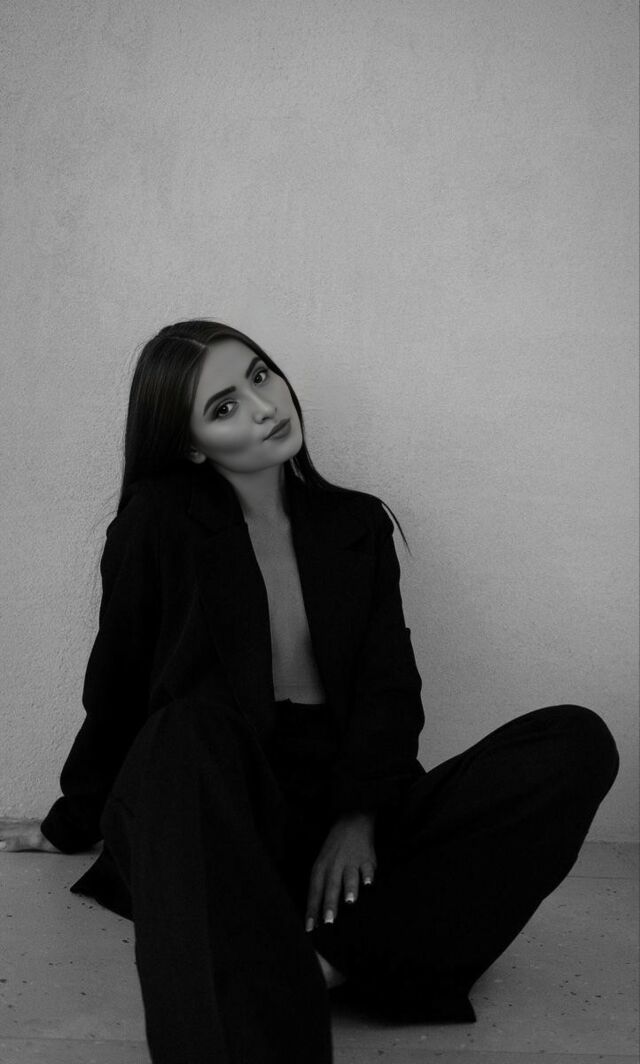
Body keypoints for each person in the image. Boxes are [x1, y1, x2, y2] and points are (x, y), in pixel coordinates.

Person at [0, 320, 620, 1064]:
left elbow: (391, 687)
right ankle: (308, 976)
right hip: (219, 802)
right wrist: (73, 821)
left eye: (260, 375)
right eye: (224, 407)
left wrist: (359, 816)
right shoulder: (159, 521)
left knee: (575, 739)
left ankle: (315, 962)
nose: (264, 407)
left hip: (344, 794)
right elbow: (117, 685)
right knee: (184, 729)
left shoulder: (356, 523)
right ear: (193, 445)